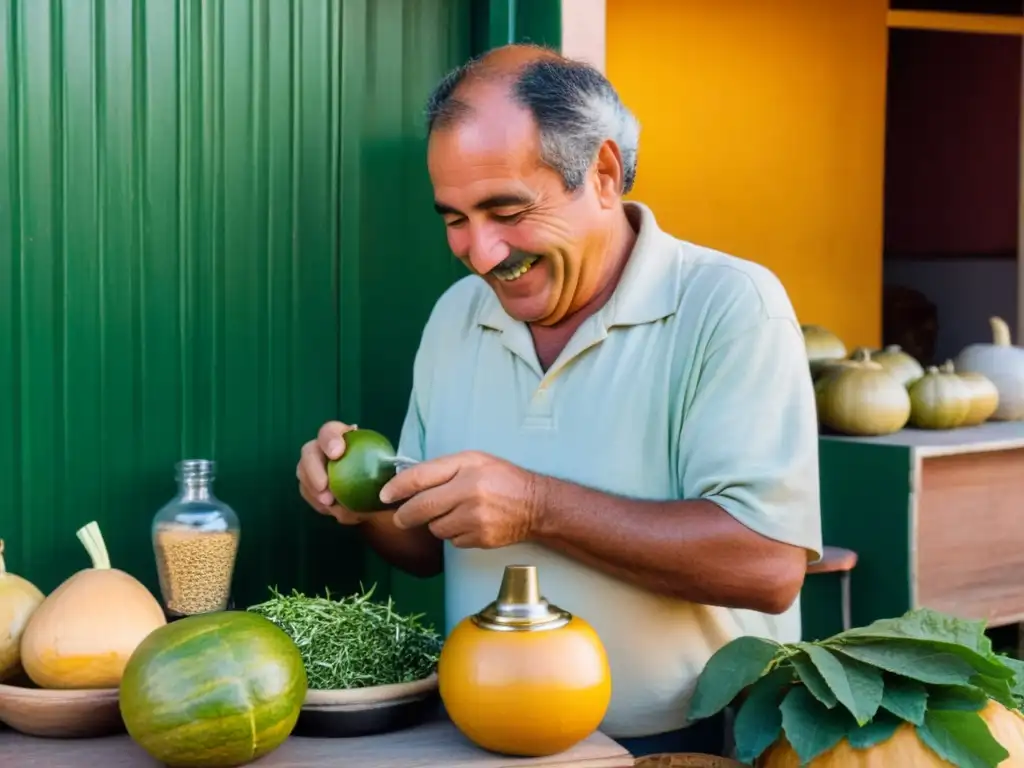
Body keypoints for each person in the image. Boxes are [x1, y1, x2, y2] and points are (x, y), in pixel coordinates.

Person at [297, 43, 823, 757]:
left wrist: (536, 506)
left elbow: (764, 566)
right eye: (454, 218)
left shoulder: (729, 306)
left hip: (693, 745)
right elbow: (424, 547)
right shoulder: (457, 315)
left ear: (602, 174)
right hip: (484, 738)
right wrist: (361, 505)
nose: (481, 253)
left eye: (506, 210)